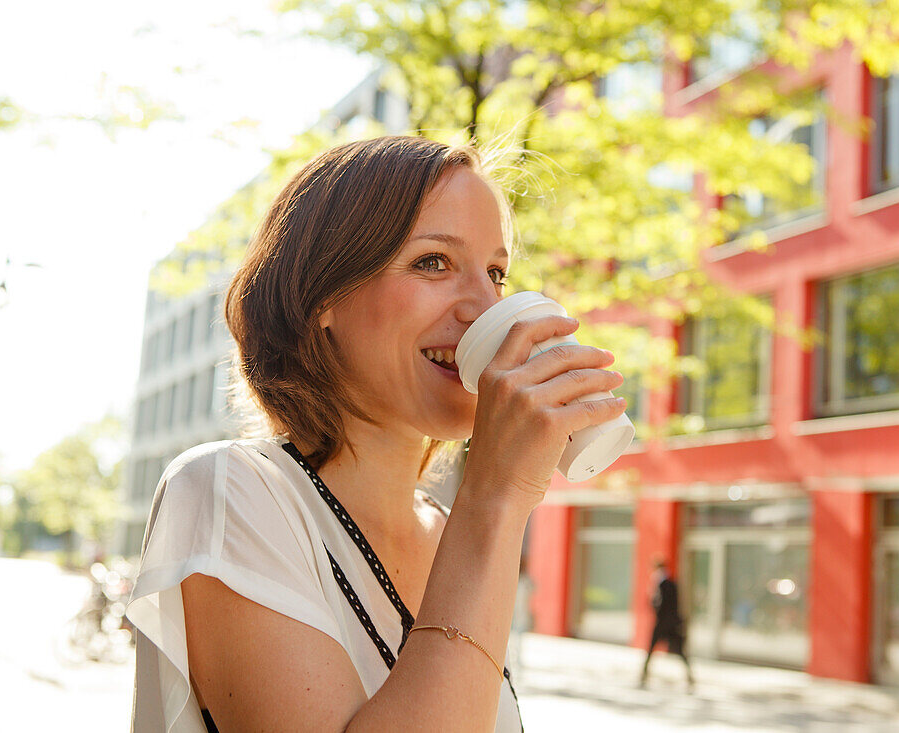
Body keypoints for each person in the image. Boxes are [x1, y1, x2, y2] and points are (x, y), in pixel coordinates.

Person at [126, 136, 627, 732]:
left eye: (495, 272)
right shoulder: (230, 490)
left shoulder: (448, 530)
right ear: (323, 297)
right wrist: (498, 497)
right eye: (432, 262)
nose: (484, 305)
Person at [638, 558, 695, 690]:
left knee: (672, 650)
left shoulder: (665, 584)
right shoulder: (666, 583)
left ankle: (645, 672)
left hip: (666, 624)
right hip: (669, 624)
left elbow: (661, 605)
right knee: (656, 650)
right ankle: (644, 672)